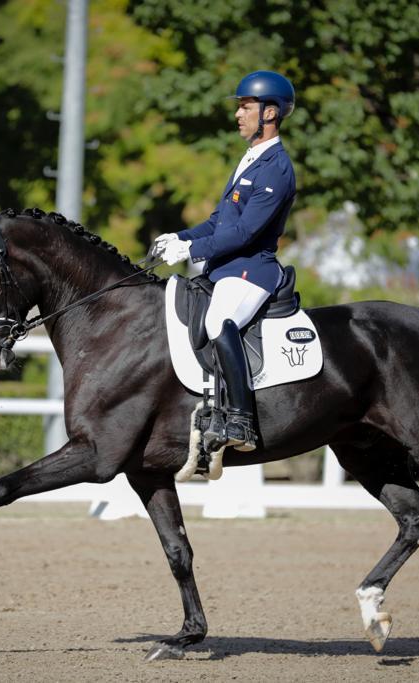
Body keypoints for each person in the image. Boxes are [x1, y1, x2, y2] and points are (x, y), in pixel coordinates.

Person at [152, 70, 297, 453]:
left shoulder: (276, 168)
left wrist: (192, 251)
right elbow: (219, 222)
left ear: (270, 113)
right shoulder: (249, 160)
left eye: (246, 106)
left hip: (252, 270)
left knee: (219, 320)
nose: (239, 114)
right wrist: (180, 237)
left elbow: (246, 233)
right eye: (240, 107)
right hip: (227, 269)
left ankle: (241, 421)